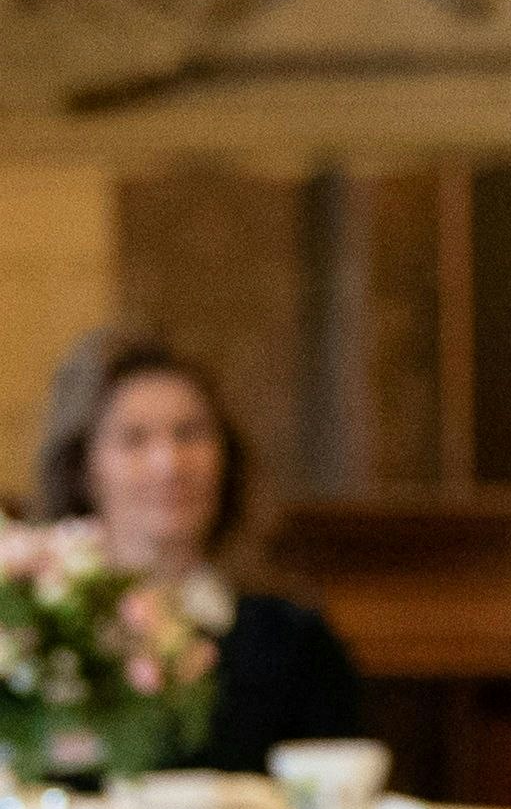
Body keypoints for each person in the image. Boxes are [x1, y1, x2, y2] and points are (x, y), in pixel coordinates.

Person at [36, 330, 364, 774]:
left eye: (190, 434)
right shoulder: (40, 638)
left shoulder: (293, 640)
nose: (169, 464)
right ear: (83, 469)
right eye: (134, 439)